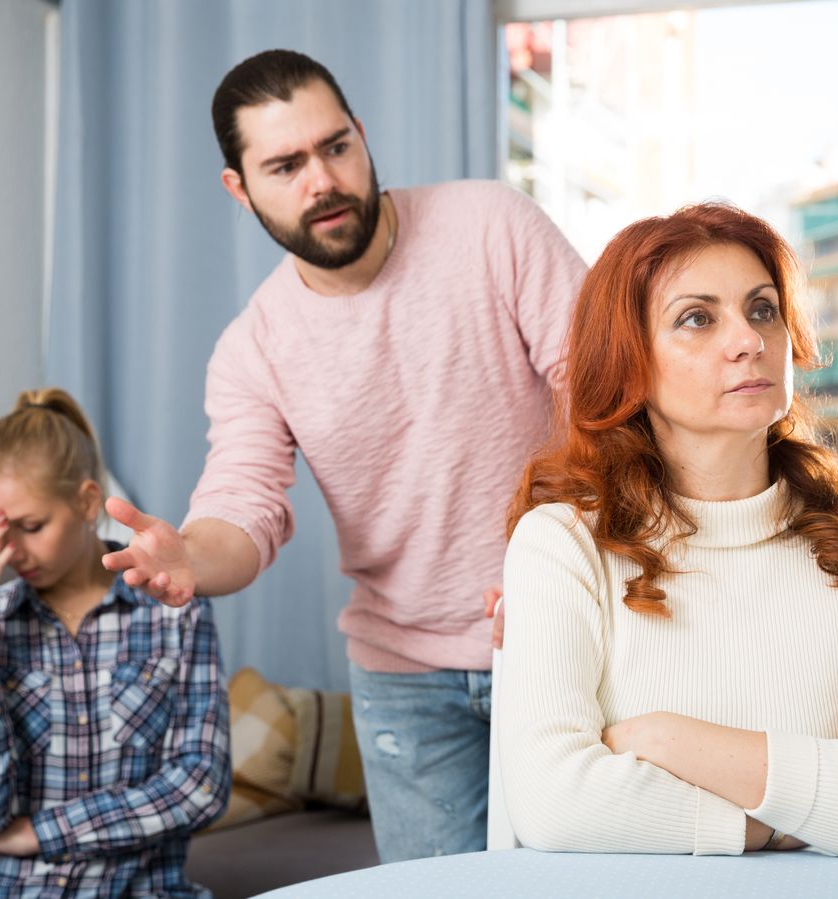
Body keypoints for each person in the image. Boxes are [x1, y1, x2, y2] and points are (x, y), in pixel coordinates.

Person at [100, 49, 586, 861]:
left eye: (334, 147)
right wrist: (188, 553)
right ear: (240, 187)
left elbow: (601, 391)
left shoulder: (492, 225)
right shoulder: (253, 349)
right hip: (404, 675)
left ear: (361, 135)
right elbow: (243, 506)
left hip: (561, 633)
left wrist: (555, 554)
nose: (320, 181)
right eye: (284, 165)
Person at [497, 203, 838, 862]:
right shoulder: (561, 547)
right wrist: (795, 817)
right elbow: (554, 800)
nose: (749, 339)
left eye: (762, 309)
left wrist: (670, 739)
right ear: (629, 363)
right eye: (697, 318)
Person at [0, 388, 230, 897]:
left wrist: (41, 833)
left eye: (31, 527)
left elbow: (201, 786)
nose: (13, 552)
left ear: (87, 502)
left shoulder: (173, 612)